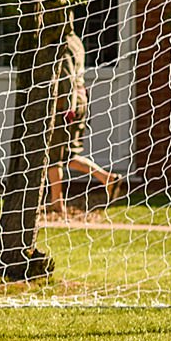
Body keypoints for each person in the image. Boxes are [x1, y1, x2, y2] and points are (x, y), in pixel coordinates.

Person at [46, 30, 119, 216]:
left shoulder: (63, 44)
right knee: (69, 154)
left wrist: (68, 108)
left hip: (68, 103)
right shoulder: (76, 40)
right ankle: (107, 178)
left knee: (54, 155)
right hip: (81, 98)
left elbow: (67, 78)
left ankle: (57, 203)